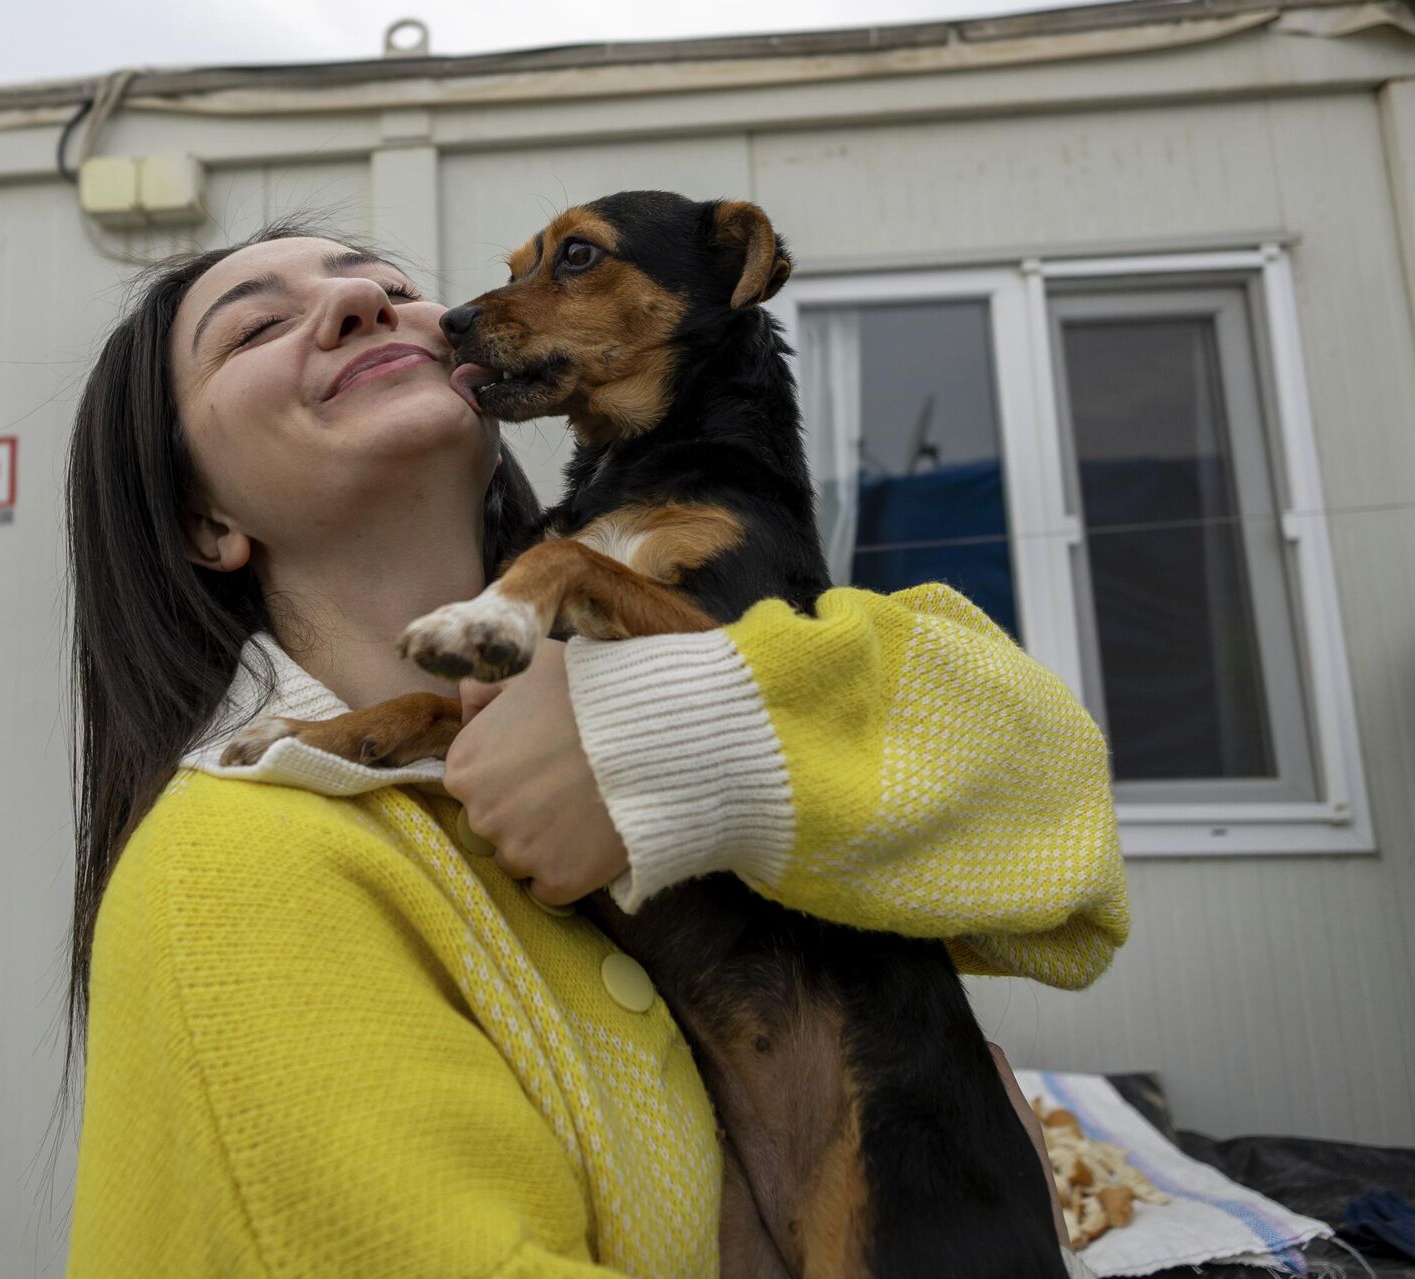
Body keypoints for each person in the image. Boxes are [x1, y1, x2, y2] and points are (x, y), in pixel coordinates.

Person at [62, 222, 1127, 1278]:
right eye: (255, 329)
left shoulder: (676, 589)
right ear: (204, 520)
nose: (360, 303)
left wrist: (646, 730)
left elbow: (1062, 835)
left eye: (389, 286)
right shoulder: (232, 868)